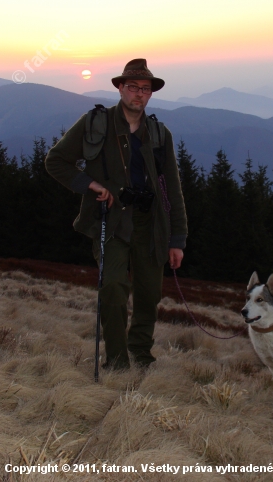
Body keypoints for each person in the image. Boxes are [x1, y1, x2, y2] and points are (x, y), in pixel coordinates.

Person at [46, 59, 187, 369]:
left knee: (149, 295)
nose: (138, 94)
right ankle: (118, 362)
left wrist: (177, 238)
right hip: (111, 220)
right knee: (112, 288)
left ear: (151, 94)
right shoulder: (94, 123)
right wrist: (91, 184)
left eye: (145, 89)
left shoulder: (160, 133)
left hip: (150, 224)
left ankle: (141, 356)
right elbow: (55, 161)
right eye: (133, 87)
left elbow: (170, 189)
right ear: (120, 88)